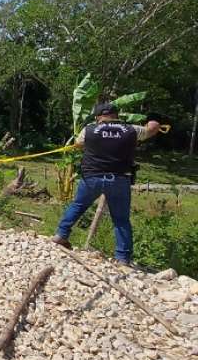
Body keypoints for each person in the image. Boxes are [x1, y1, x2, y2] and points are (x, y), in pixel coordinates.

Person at [52, 102, 160, 265]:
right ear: (116, 115)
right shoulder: (131, 130)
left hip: (92, 177)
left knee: (78, 205)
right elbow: (150, 130)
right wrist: (155, 123)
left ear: (98, 116)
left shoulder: (89, 129)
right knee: (121, 219)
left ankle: (61, 235)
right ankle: (123, 258)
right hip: (119, 179)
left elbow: (79, 144)